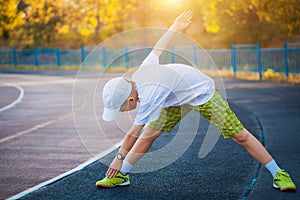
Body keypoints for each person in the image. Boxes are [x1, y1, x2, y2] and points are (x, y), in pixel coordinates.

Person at [95, 10, 296, 191]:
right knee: (149, 135)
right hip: (173, 97)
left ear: (131, 98)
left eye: (121, 108)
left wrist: (117, 159)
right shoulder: (140, 75)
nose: (122, 111)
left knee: (240, 135)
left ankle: (279, 173)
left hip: (200, 92)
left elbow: (132, 133)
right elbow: (158, 48)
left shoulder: (148, 94)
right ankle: (121, 177)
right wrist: (175, 27)